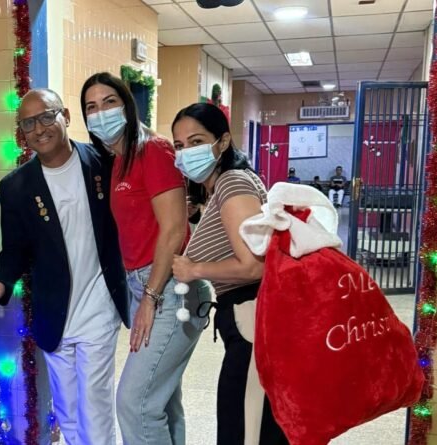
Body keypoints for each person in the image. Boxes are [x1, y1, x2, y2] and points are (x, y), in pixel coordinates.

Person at [0, 89, 129, 444]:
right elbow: (16, 249)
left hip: (99, 303)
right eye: (28, 123)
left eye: (46, 116)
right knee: (68, 406)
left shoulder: (102, 162)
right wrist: (1, 280)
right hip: (54, 309)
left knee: (95, 402)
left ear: (66, 115)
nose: (38, 129)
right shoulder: (16, 186)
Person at [81, 72, 209, 445]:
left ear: (127, 105)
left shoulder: (153, 150)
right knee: (164, 403)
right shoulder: (118, 159)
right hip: (146, 284)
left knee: (134, 403)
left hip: (169, 288)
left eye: (109, 102)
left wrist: (150, 297)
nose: (101, 112)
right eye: (91, 106)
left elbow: (174, 228)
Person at [171, 103, 288, 445]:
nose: (186, 152)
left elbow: (255, 265)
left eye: (196, 141)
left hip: (252, 324)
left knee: (246, 431)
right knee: (248, 425)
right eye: (179, 146)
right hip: (245, 324)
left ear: (221, 142)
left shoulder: (232, 183)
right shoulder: (221, 187)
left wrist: (193, 268)